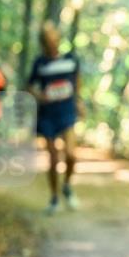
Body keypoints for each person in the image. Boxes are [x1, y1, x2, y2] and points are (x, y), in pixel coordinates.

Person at [28, 22, 83, 215]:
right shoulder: (40, 63)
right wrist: (39, 95)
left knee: (71, 154)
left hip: (67, 112)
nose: (51, 42)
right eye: (47, 39)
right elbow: (29, 85)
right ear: (43, 42)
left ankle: (66, 185)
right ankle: (54, 198)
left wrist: (79, 101)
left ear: (58, 38)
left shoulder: (71, 60)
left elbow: (77, 81)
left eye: (53, 37)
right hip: (47, 115)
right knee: (53, 159)